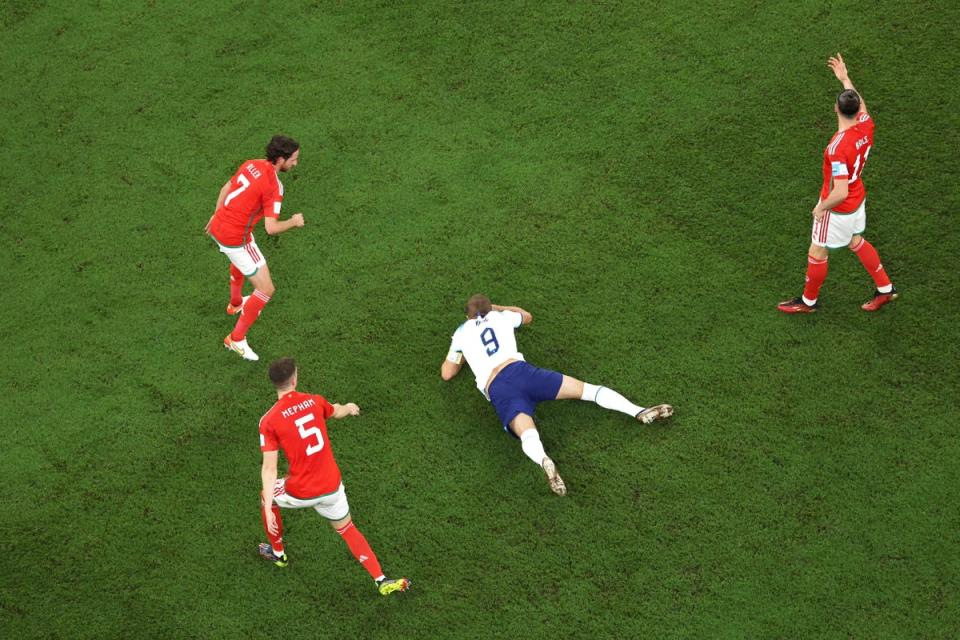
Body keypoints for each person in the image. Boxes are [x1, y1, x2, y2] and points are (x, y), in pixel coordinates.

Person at [440, 294, 673, 496]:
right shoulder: (501, 317)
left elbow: (447, 374)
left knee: (527, 433)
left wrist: (460, 354)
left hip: (499, 387)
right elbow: (527, 316)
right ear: (490, 309)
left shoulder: (461, 333)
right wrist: (497, 309)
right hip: (523, 372)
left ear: (467, 316)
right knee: (586, 391)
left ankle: (544, 460)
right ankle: (638, 411)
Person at [257, 357, 411, 596]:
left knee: (267, 496)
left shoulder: (269, 421)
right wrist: (349, 408)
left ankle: (278, 554)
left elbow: (269, 469)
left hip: (301, 491)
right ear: (295, 379)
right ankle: (380, 579)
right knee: (348, 528)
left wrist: (268, 508)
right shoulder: (314, 401)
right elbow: (336, 411)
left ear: (274, 384)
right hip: (332, 486)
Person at [778, 54, 897, 314]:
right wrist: (845, 80)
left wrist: (822, 208)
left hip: (839, 206)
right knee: (854, 240)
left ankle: (807, 302)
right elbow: (861, 106)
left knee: (818, 249)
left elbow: (839, 190)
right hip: (858, 199)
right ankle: (886, 289)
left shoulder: (837, 148)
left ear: (835, 109)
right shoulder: (865, 126)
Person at [206, 135, 306, 361]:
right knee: (267, 289)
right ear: (281, 159)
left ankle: (235, 304)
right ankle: (236, 339)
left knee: (241, 262)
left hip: (219, 226)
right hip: (236, 239)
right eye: (294, 159)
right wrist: (294, 221)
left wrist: (217, 214)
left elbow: (227, 187)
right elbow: (271, 228)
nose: (295, 164)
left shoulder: (251, 164)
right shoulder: (274, 186)